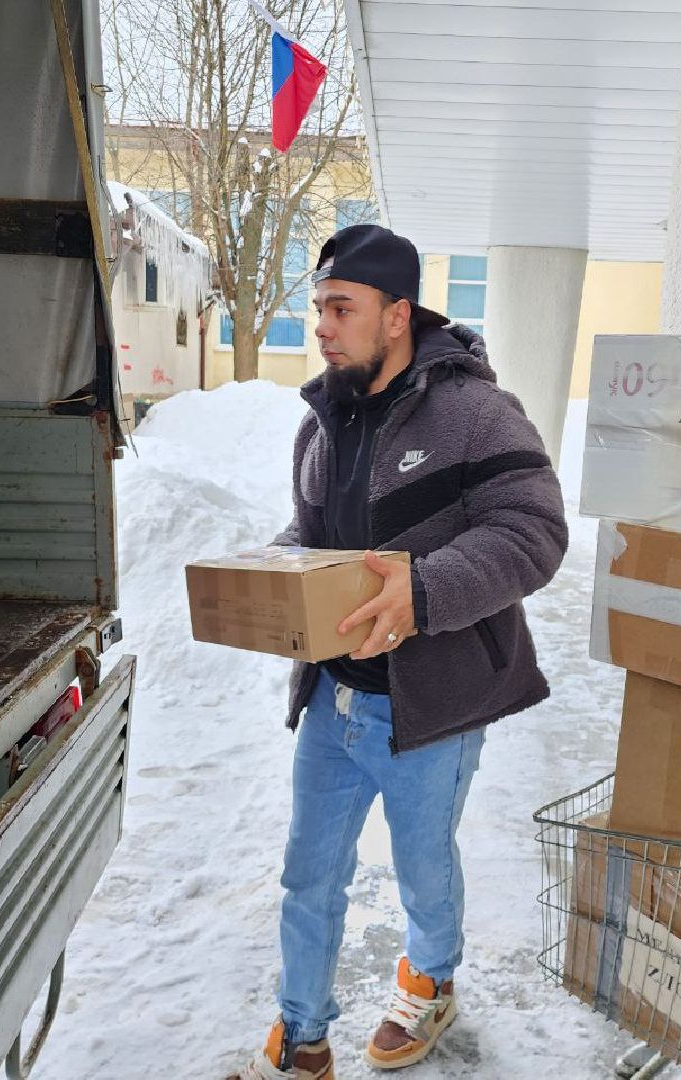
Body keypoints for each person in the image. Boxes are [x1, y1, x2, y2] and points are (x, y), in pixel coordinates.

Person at [228, 224, 568, 1079]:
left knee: (423, 871)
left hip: (431, 711)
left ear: (397, 315)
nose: (323, 326)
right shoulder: (324, 420)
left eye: (341, 308)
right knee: (309, 877)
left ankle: (430, 978)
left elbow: (534, 531)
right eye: (318, 308)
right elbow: (315, 539)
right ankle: (302, 1034)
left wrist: (423, 592)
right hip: (332, 702)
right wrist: (270, 572)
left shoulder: (474, 414)